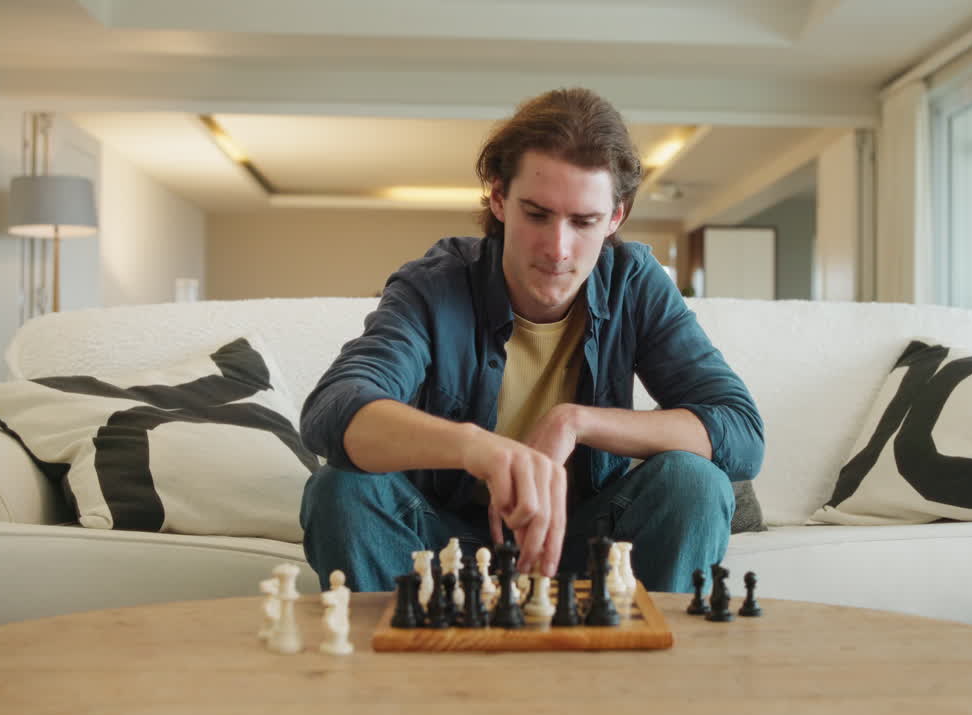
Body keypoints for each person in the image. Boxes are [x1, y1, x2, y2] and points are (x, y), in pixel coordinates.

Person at [299, 87, 764, 592]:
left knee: (693, 483)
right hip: (443, 546)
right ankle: (397, 665)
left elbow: (740, 433)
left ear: (615, 217)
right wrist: (480, 448)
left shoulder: (636, 282)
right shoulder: (434, 284)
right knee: (339, 489)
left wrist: (576, 422)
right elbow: (334, 410)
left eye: (584, 222)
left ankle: (643, 666)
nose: (557, 249)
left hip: (590, 544)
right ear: (499, 199)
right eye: (537, 214)